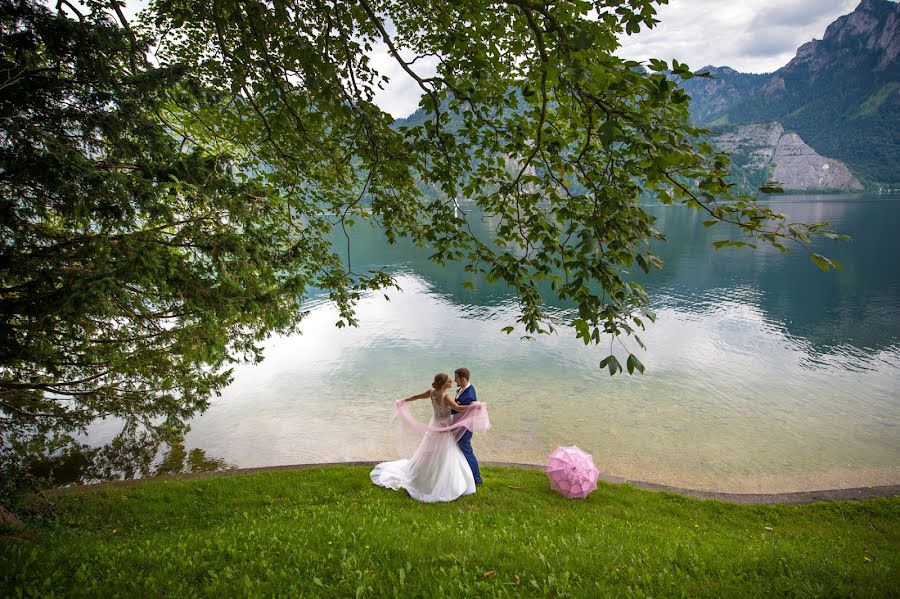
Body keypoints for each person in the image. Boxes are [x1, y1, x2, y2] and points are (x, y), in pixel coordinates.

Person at [370, 373, 486, 503]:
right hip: (444, 427)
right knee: (445, 453)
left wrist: (404, 400)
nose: (451, 382)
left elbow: (418, 397)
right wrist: (474, 406)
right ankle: (440, 480)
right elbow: (458, 408)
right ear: (443, 384)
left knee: (431, 451)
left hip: (435, 424)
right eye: (448, 381)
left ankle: (426, 474)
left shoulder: (432, 392)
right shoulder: (445, 396)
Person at [452, 367, 482, 485]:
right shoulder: (465, 388)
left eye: (456, 379)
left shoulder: (469, 395)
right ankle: (466, 475)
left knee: (467, 453)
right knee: (462, 452)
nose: (455, 381)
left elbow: (458, 410)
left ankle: (477, 479)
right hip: (459, 426)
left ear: (463, 379)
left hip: (464, 429)